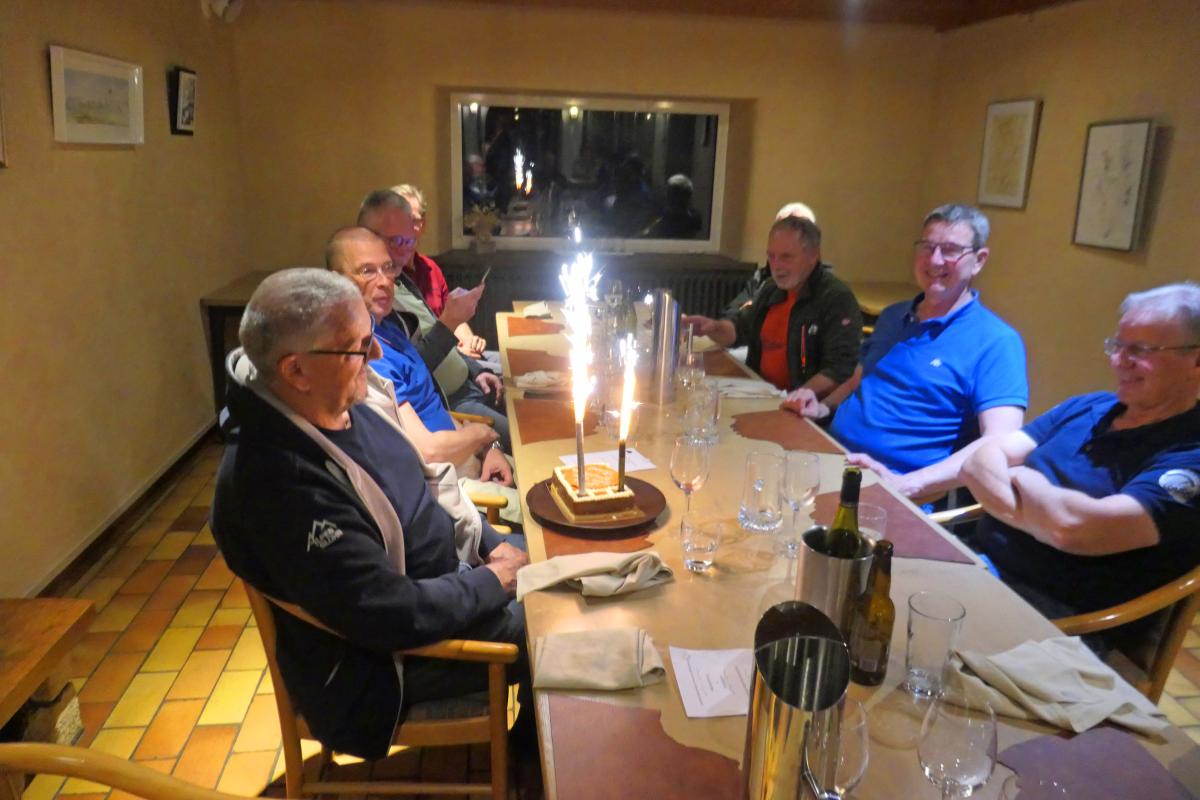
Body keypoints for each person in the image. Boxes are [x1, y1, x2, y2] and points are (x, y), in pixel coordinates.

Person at [210, 268, 530, 760]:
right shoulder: (278, 484)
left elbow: (428, 489)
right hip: (383, 666)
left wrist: (491, 543)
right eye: (359, 347)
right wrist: (494, 581)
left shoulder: (336, 399)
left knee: (562, 560)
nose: (377, 355)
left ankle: (534, 743)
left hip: (448, 584)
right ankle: (535, 762)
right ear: (296, 371)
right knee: (557, 621)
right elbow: (389, 614)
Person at [959, 282, 1200, 624]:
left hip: (1058, 617)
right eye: (1117, 345)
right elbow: (978, 462)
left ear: (1196, 360)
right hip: (978, 562)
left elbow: (1076, 529)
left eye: (1140, 350)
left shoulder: (1190, 452)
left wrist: (1023, 478)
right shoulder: (1090, 406)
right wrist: (1044, 519)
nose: (1119, 361)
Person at [785, 204, 1027, 501]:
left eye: (950, 250)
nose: (935, 260)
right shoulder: (893, 316)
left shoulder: (997, 342)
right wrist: (822, 408)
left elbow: (1001, 442)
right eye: (928, 247)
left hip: (895, 490)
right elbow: (857, 381)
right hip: (830, 458)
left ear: (978, 261)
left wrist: (910, 483)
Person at [325, 226, 521, 523]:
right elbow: (427, 452)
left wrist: (488, 447)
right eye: (367, 271)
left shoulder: (391, 327)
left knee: (550, 470)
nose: (384, 281)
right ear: (337, 283)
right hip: (453, 490)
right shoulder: (365, 357)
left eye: (387, 268)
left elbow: (433, 408)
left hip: (474, 459)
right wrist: (482, 435)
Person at [358, 189, 511, 449]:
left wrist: (477, 371)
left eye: (409, 238)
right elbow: (414, 371)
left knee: (533, 406)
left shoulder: (402, 281)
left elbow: (438, 341)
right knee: (530, 437)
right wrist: (450, 322)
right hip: (453, 404)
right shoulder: (375, 308)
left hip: (469, 385)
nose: (405, 248)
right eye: (395, 240)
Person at [683, 216, 862, 395]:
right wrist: (712, 327)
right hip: (759, 392)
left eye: (786, 257)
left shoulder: (836, 299)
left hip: (803, 405)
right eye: (771, 256)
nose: (776, 266)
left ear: (813, 256)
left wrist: (796, 399)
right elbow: (738, 330)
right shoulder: (771, 289)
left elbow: (839, 370)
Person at [391, 183, 487, 357]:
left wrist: (469, 340)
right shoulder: (389, 279)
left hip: (456, 355)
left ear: (423, 225)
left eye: (414, 220)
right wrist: (457, 352)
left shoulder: (430, 268)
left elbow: (451, 316)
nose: (407, 228)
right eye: (400, 221)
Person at [722, 202, 818, 317]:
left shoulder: (823, 287)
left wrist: (755, 310)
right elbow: (731, 314)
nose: (777, 265)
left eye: (787, 256)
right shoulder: (763, 276)